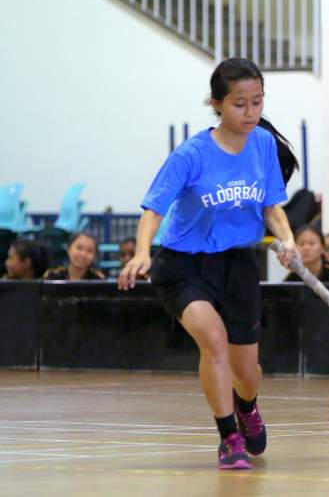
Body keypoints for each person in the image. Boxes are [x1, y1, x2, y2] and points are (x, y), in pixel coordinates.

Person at [117, 57, 298, 470]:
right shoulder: (191, 154)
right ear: (217, 104)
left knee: (248, 371)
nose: (250, 113)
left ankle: (246, 404)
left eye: (257, 102)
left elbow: (271, 206)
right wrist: (143, 251)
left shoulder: (264, 145)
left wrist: (287, 239)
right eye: (239, 104)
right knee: (212, 339)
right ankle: (228, 437)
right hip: (184, 266)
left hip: (238, 265)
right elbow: (152, 210)